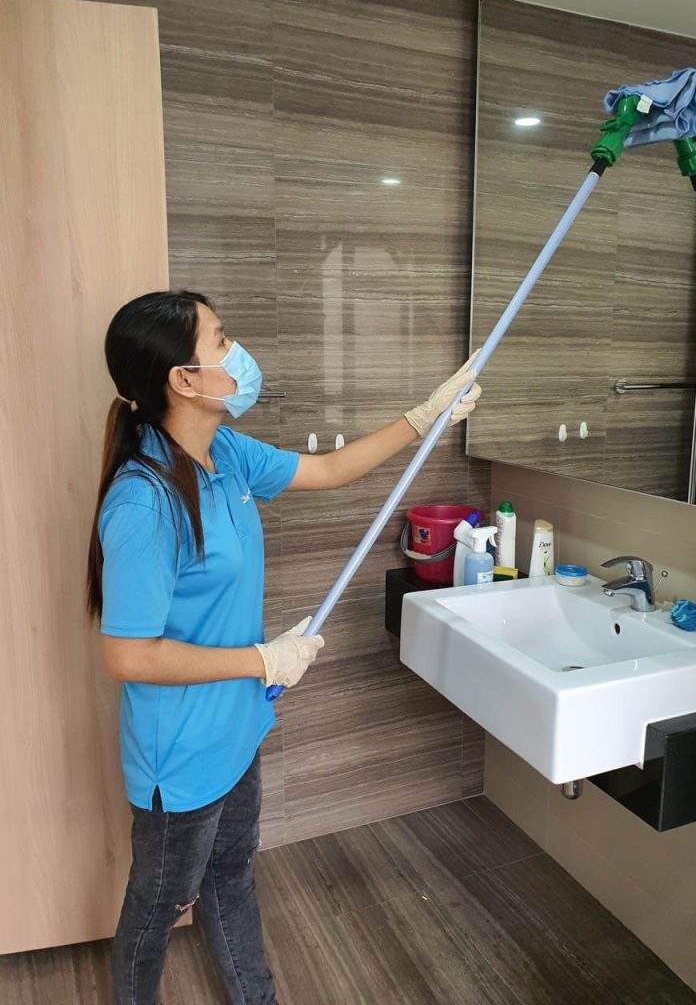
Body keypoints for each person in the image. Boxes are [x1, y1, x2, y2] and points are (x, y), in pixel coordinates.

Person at [85, 289, 482, 1005]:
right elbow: (129, 656)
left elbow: (327, 471)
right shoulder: (143, 501)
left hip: (238, 725)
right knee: (157, 907)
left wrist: (423, 418)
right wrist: (263, 659)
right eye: (220, 339)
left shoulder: (225, 454)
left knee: (233, 871)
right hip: (178, 758)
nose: (238, 352)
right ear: (182, 379)